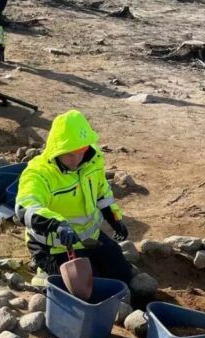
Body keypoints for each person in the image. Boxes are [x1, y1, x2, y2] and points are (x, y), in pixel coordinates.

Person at [15, 110, 132, 285]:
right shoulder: (38, 173)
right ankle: (43, 268)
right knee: (87, 287)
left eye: (82, 151)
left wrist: (114, 218)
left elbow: (102, 192)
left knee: (122, 274)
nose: (77, 159)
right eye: (70, 154)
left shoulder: (93, 160)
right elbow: (25, 207)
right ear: (56, 148)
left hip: (89, 237)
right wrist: (57, 224)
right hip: (53, 246)